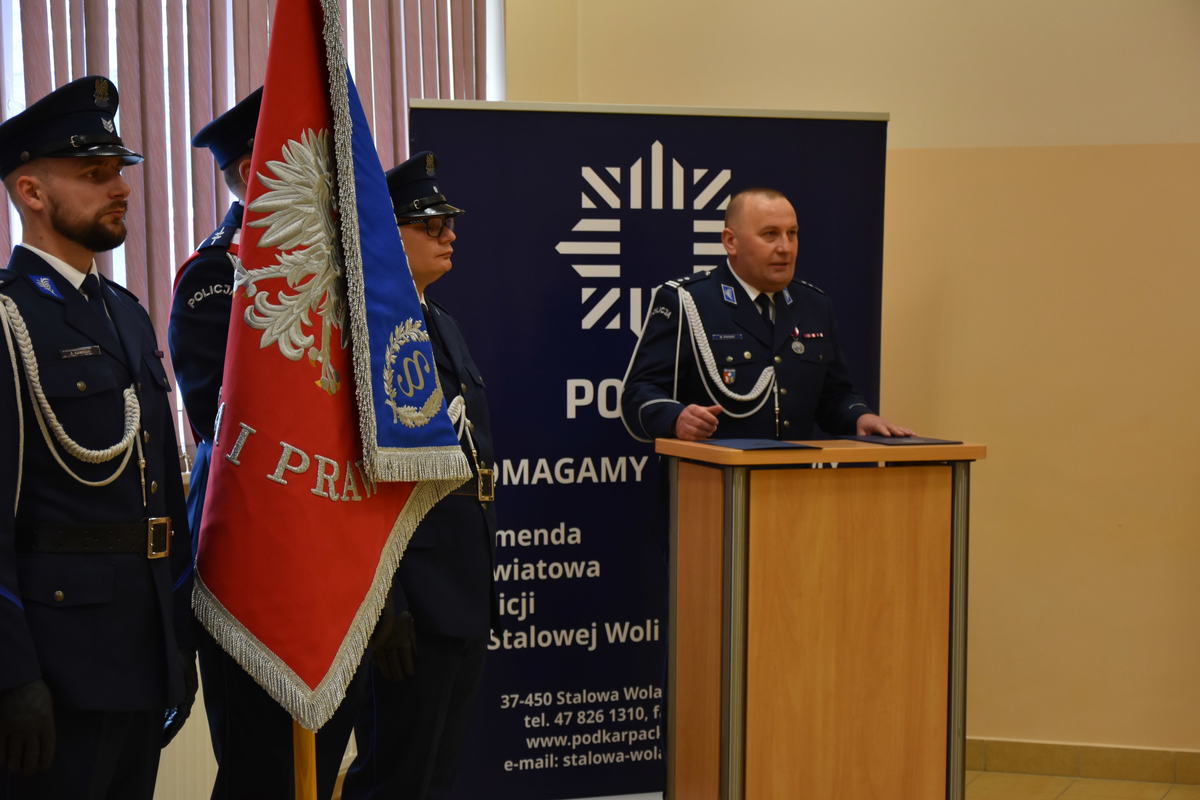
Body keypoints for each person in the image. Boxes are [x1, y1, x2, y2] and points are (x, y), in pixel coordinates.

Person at [0, 75, 196, 799]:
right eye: (93, 174)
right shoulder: (9, 320)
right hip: (57, 664)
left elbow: (162, 496)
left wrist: (178, 641)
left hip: (140, 648)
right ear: (31, 192)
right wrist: (13, 676)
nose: (120, 188)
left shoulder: (127, 313)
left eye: (119, 171)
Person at [170, 88, 356, 800]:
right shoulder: (217, 276)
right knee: (263, 771)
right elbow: (227, 424)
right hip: (254, 553)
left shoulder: (337, 271)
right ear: (254, 172)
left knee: (323, 759)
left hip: (330, 551)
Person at [342, 151, 497, 800]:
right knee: (395, 775)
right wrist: (387, 601)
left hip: (460, 579)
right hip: (410, 593)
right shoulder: (369, 333)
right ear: (386, 233)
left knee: (436, 772)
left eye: (449, 222)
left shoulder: (442, 323)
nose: (449, 234)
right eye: (430, 224)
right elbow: (362, 482)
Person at [621, 187, 911, 442]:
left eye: (792, 234)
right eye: (770, 234)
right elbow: (639, 393)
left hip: (792, 480)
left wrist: (860, 417)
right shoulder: (688, 300)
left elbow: (834, 395)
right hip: (711, 480)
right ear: (731, 241)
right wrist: (676, 419)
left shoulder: (813, 304)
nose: (785, 248)